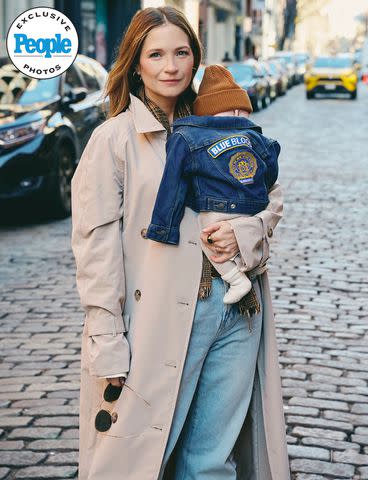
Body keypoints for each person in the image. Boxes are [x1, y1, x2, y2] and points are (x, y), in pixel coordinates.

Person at [71, 6, 291, 480]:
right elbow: (96, 254)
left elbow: (268, 197)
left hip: (237, 313)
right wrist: (107, 343)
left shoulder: (226, 123)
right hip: (158, 322)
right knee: (143, 459)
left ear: (195, 59)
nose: (170, 66)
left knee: (211, 462)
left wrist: (244, 233)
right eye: (156, 54)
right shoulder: (113, 141)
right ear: (135, 63)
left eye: (181, 52)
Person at [146, 64, 280, 305]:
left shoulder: (187, 135)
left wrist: (163, 229)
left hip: (215, 205)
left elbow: (172, 187)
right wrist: (257, 189)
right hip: (254, 203)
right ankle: (248, 267)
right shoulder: (256, 137)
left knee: (209, 237)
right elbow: (272, 164)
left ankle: (236, 279)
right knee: (229, 239)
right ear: (239, 111)